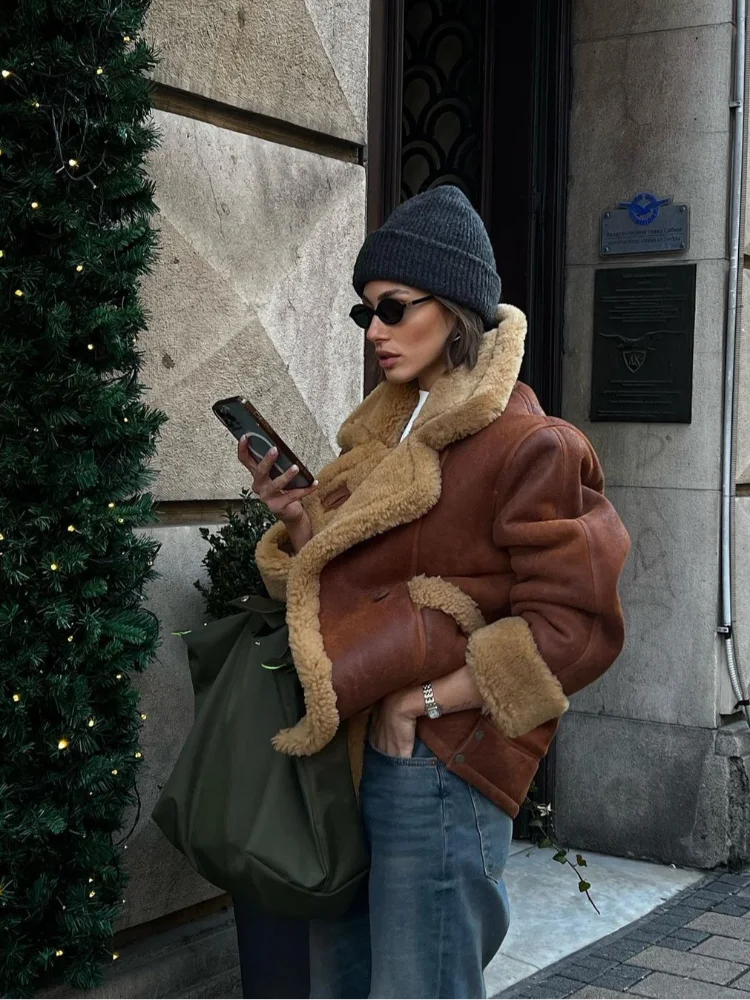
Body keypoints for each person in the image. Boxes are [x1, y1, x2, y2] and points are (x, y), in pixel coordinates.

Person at [238, 185, 630, 1000]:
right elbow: (363, 583)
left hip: (443, 762)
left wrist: (427, 700)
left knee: (421, 984)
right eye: (364, 315)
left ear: (453, 313)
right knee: (344, 979)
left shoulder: (533, 446)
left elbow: (576, 627)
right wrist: (300, 522)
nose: (374, 331)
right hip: (357, 748)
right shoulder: (390, 433)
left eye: (391, 308)